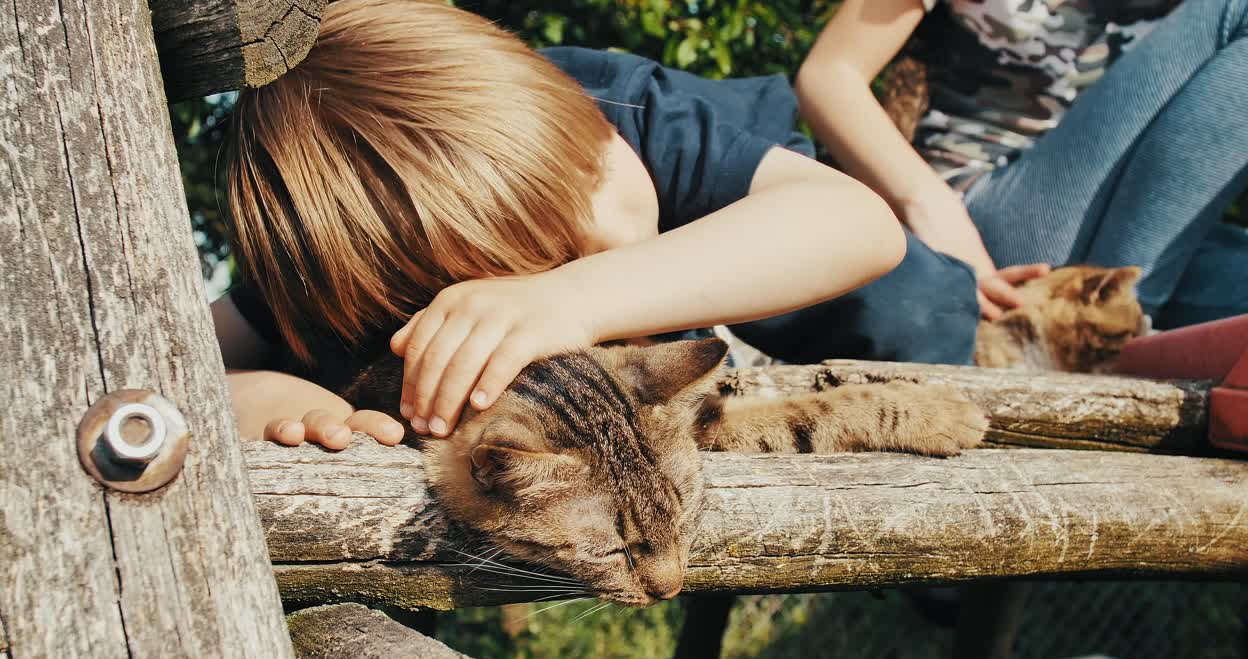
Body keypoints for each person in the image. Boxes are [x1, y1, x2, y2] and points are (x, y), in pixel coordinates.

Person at [213, 0, 983, 450]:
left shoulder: (616, 102)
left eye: (593, 170)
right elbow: (178, 352)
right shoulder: (356, 252)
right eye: (556, 259)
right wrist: (268, 395)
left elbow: (857, 224)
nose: (613, 234)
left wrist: (572, 297)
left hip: (974, 307)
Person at [795, 0, 1248, 326]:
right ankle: (1118, 330)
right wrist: (934, 211)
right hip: (983, 220)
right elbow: (830, 74)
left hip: (1123, 232)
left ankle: (1113, 322)